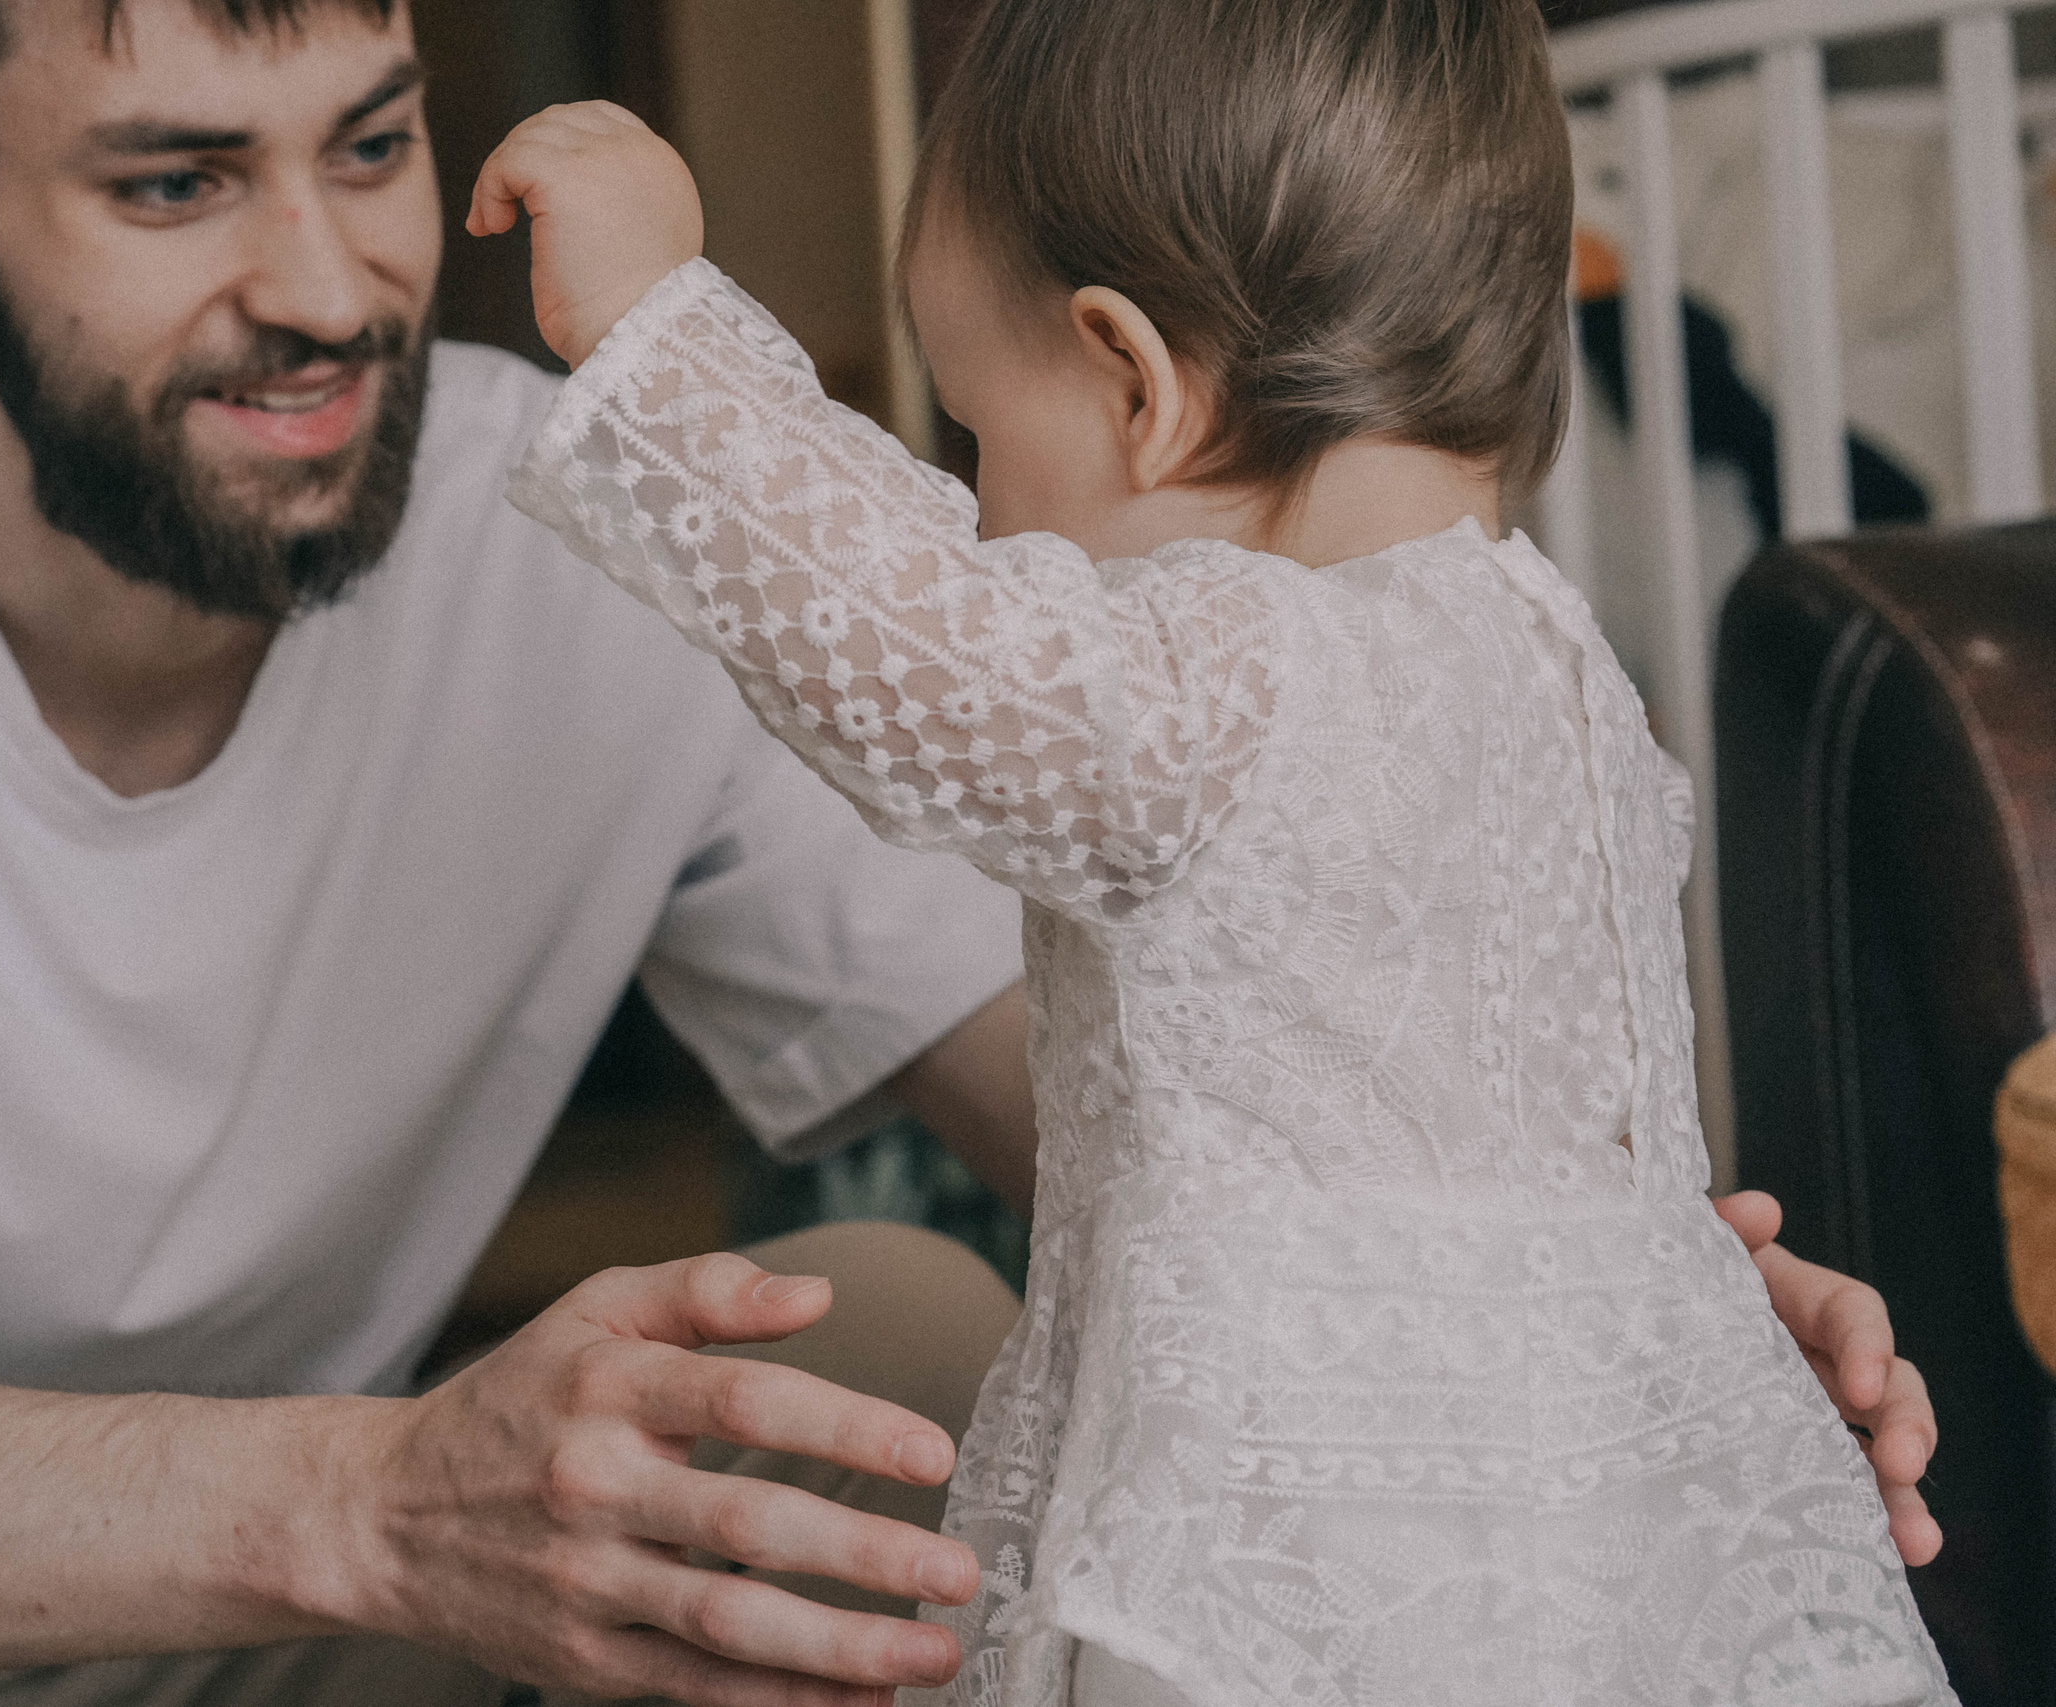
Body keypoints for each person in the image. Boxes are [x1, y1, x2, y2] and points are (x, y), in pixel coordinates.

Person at [0, 1, 1934, 1704]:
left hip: (316, 1644)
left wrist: (1577, 1328)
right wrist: (373, 1493)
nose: (332, 282)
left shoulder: (554, 532)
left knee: (892, 1340)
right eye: (172, 180)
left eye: (366, 146)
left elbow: (1170, 1067)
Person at [474, 2, 1958, 1702]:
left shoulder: (1251, 670)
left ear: (1139, 386)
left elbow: (928, 654)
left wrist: (662, 329)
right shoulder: (1569, 688)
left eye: (973, 434)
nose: (981, 509)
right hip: (1611, 1558)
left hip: (1315, 1577)